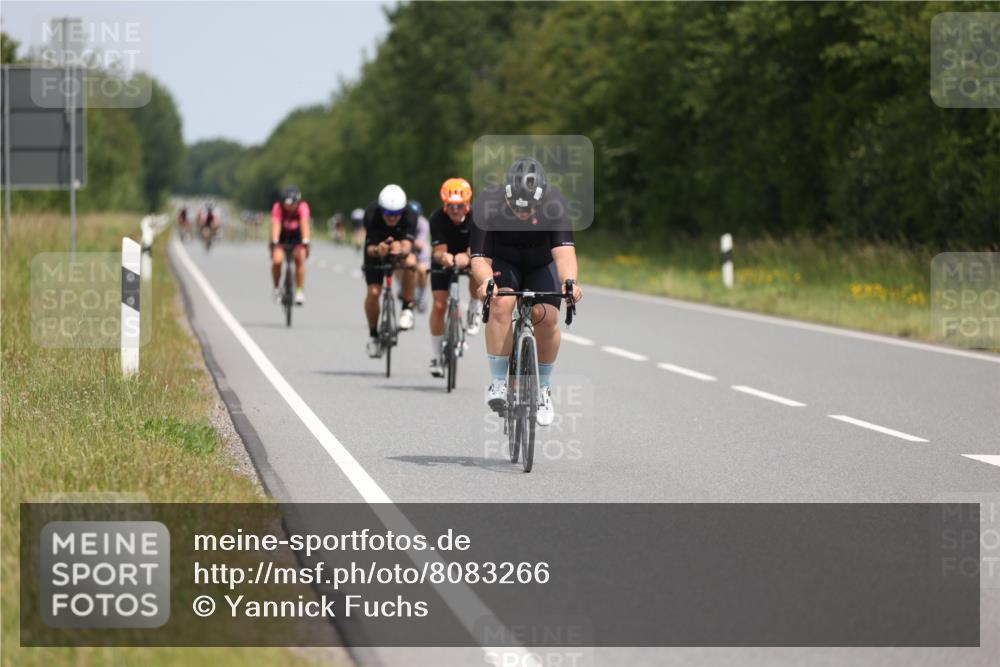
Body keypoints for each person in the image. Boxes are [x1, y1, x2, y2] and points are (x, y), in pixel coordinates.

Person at [470, 157, 583, 426]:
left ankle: (543, 389)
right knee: (501, 304)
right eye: (516, 207)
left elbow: (565, 255)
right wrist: (488, 283)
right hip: (503, 261)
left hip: (539, 263)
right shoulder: (487, 204)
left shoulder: (555, 205)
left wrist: (570, 282)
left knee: (549, 317)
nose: (522, 213)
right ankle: (498, 382)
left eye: (529, 208)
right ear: (507, 195)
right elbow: (479, 259)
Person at [427, 177, 481, 377]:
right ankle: (437, 355)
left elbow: (477, 247)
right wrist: (445, 257)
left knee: (477, 265)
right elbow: (438, 251)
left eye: (460, 206)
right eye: (451, 206)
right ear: (445, 204)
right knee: (439, 305)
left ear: (467, 204)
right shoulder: (436, 218)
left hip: (470, 256)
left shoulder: (477, 218)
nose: (455, 211)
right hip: (445, 259)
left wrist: (466, 256)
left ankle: (474, 308)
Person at [363, 184, 418, 357]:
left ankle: (407, 307)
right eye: (388, 214)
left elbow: (408, 246)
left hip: (400, 249)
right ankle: (373, 335)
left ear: (402, 211)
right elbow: (369, 248)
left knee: (411, 262)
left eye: (396, 214)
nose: (392, 218)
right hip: (376, 252)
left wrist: (399, 249)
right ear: (381, 210)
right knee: (373, 292)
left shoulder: (410, 214)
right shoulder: (371, 214)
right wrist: (379, 250)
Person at [269, 186, 311, 305]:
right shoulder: (277, 207)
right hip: (282, 234)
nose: (289, 207)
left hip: (297, 235)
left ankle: (299, 291)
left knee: (300, 259)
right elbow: (276, 224)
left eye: (291, 204)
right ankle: (277, 288)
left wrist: (306, 240)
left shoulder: (303, 207)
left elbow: (304, 223)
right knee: (277, 261)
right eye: (285, 204)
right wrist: (275, 241)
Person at [410, 200, 431, 313]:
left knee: (422, 270)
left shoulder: (423, 223)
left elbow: (420, 244)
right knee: (400, 267)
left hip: (420, 252)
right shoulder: (403, 220)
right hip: (407, 250)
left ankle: (422, 295)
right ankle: (401, 290)